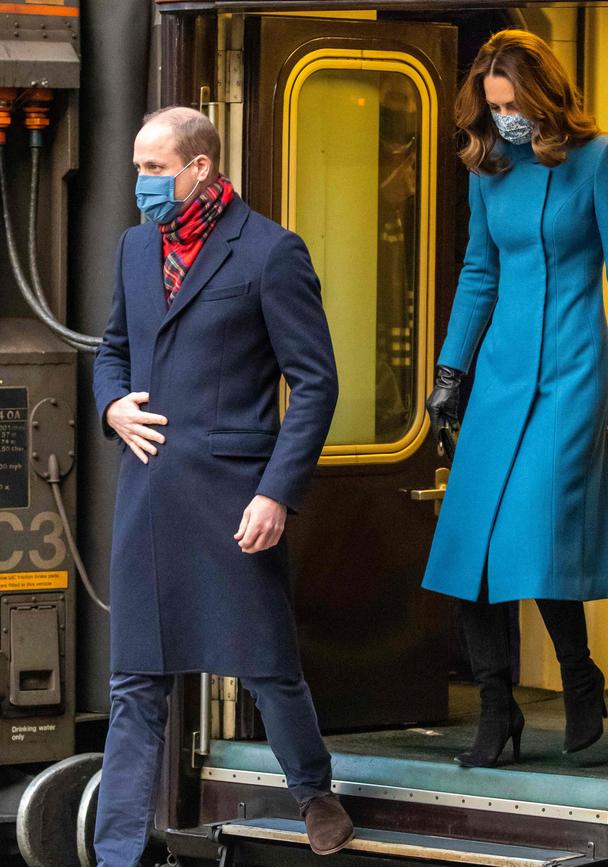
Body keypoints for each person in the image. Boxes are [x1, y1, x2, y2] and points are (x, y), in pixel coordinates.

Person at [92, 106, 354, 865]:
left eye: (152, 168)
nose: (139, 182)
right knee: (136, 684)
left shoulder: (270, 252)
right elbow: (113, 349)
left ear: (200, 166)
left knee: (267, 665)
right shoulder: (136, 250)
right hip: (146, 496)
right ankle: (116, 853)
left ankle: (313, 792)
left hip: (236, 496)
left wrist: (276, 491)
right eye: (137, 167)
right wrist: (112, 404)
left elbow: (315, 383)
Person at [423, 29, 608, 768]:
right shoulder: (490, 169)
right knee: (469, 546)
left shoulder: (601, 161)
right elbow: (480, 269)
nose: (503, 119)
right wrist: (450, 371)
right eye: (493, 105)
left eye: (512, 104)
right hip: (502, 376)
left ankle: (579, 679)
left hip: (573, 371)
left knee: (535, 539)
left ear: (542, 95)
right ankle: (495, 706)